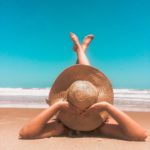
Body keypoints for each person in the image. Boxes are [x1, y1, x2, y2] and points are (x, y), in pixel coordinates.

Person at [19, 32, 147, 141]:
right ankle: (81, 50)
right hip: (71, 112)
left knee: (83, 80)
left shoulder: (98, 124)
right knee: (83, 81)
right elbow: (25, 133)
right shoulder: (68, 126)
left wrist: (56, 106)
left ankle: (80, 49)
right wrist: (106, 107)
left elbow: (141, 135)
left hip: (74, 112)